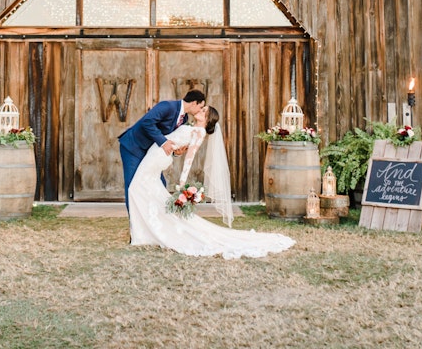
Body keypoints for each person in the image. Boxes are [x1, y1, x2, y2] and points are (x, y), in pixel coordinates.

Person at [127, 106, 296, 259]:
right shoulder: (192, 127)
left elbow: (190, 158)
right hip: (157, 155)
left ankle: (145, 232)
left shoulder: (199, 132)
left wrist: (182, 183)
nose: (199, 110)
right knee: (147, 190)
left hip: (157, 158)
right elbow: (178, 147)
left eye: (203, 111)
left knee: (135, 188)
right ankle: (146, 231)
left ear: (207, 119)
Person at [118, 90, 207, 211]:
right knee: (133, 185)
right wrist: (164, 142)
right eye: (200, 107)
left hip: (151, 153)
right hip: (133, 146)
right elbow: (147, 122)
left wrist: (176, 152)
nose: (200, 111)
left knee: (160, 184)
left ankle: (153, 218)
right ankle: (135, 221)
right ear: (194, 103)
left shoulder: (184, 118)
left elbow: (171, 138)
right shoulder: (167, 106)